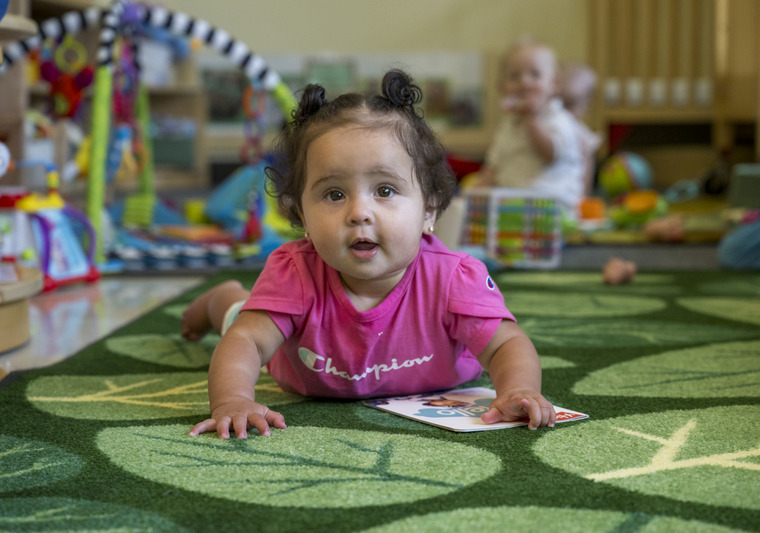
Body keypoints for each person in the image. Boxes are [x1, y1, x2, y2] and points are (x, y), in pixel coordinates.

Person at [183, 69, 556, 440]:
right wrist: (232, 400)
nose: (359, 212)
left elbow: (507, 343)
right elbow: (246, 342)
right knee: (238, 318)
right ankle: (221, 298)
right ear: (302, 216)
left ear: (429, 209)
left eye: (385, 190)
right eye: (334, 194)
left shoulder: (455, 279)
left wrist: (516, 389)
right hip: (298, 372)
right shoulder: (295, 273)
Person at [476, 37, 585, 220]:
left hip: (552, 205)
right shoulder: (507, 126)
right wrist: (478, 192)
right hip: (514, 204)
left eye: (535, 75)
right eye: (514, 76)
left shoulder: (558, 119)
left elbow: (550, 154)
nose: (524, 82)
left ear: (554, 84)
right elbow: (493, 166)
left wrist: (532, 119)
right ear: (502, 87)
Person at [558, 60, 601, 197]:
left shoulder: (580, 134)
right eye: (559, 103)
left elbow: (586, 168)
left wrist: (581, 197)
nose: (563, 113)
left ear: (587, 106)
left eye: (570, 105)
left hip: (570, 193)